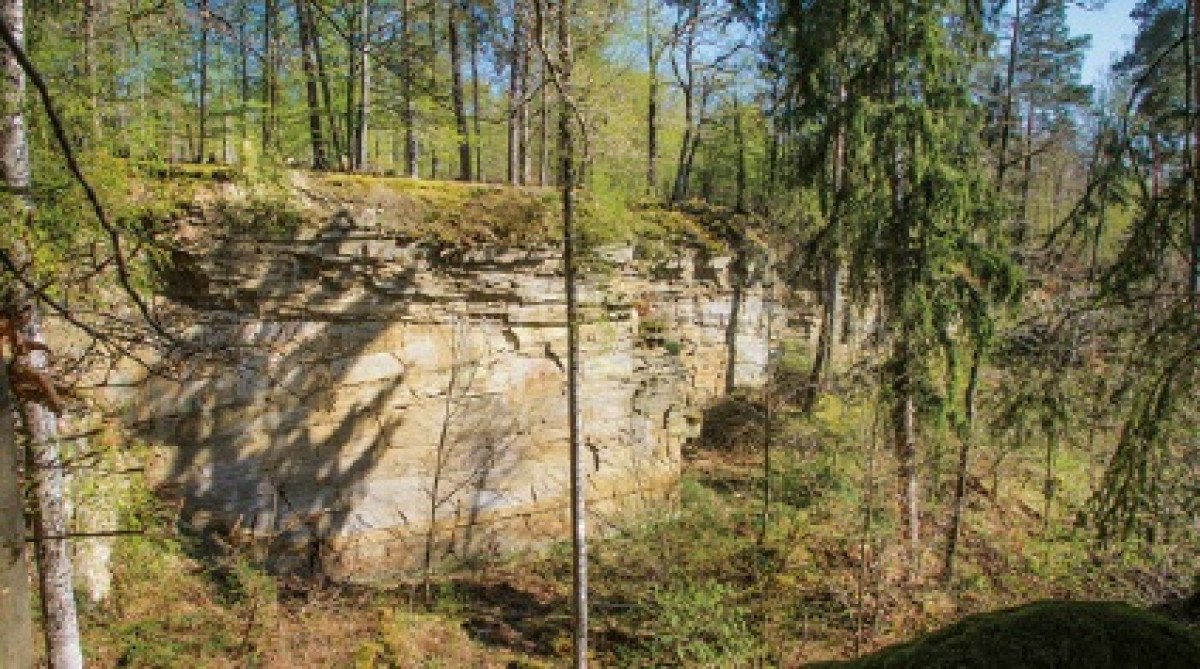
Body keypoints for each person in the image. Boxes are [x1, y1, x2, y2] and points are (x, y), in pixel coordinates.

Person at [0, 292, 65, 415]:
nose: (28, 317)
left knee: (42, 382)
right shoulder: (6, 324)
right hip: (11, 367)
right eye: (25, 313)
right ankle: (57, 406)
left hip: (14, 367)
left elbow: (24, 345)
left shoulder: (15, 329)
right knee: (41, 378)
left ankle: (50, 403)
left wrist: (45, 349)